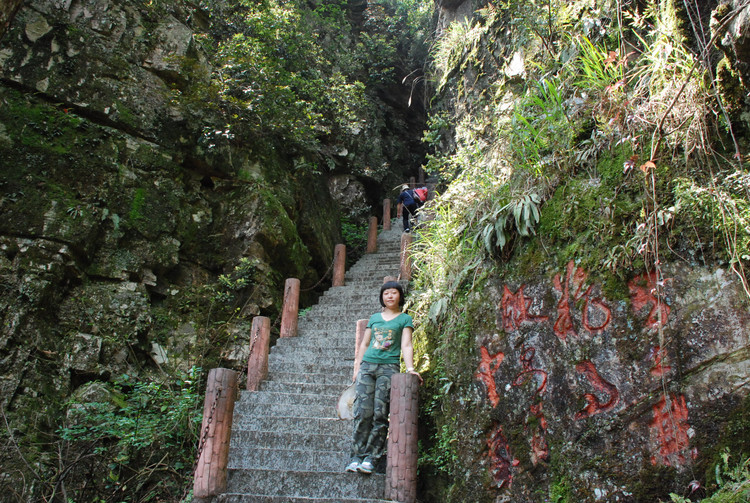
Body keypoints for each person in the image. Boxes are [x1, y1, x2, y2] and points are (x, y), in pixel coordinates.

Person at [346, 281, 422, 474]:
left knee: (380, 413)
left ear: (400, 296)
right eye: (386, 293)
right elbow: (364, 344)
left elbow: (406, 345)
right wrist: (357, 368)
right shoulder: (374, 318)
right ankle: (356, 455)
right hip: (367, 367)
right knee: (363, 412)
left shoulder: (405, 319)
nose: (389, 296)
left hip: (389, 368)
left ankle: (372, 457)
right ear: (382, 297)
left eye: (393, 293)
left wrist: (411, 367)